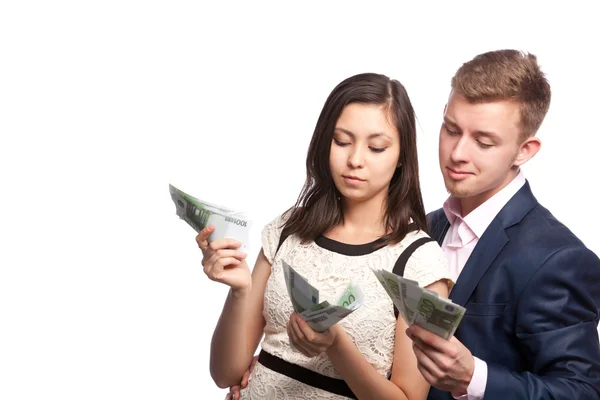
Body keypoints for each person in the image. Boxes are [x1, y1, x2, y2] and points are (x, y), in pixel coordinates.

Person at [197, 73, 454, 399]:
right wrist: (238, 291)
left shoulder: (423, 261)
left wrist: (337, 346)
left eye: (376, 147)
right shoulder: (288, 228)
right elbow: (225, 374)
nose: (355, 160)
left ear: (402, 155)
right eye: (342, 141)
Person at [406, 49, 600, 399]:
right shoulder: (423, 228)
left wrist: (475, 379)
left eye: (484, 142)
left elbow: (581, 392)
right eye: (451, 129)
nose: (457, 153)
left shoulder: (559, 258)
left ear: (525, 150)